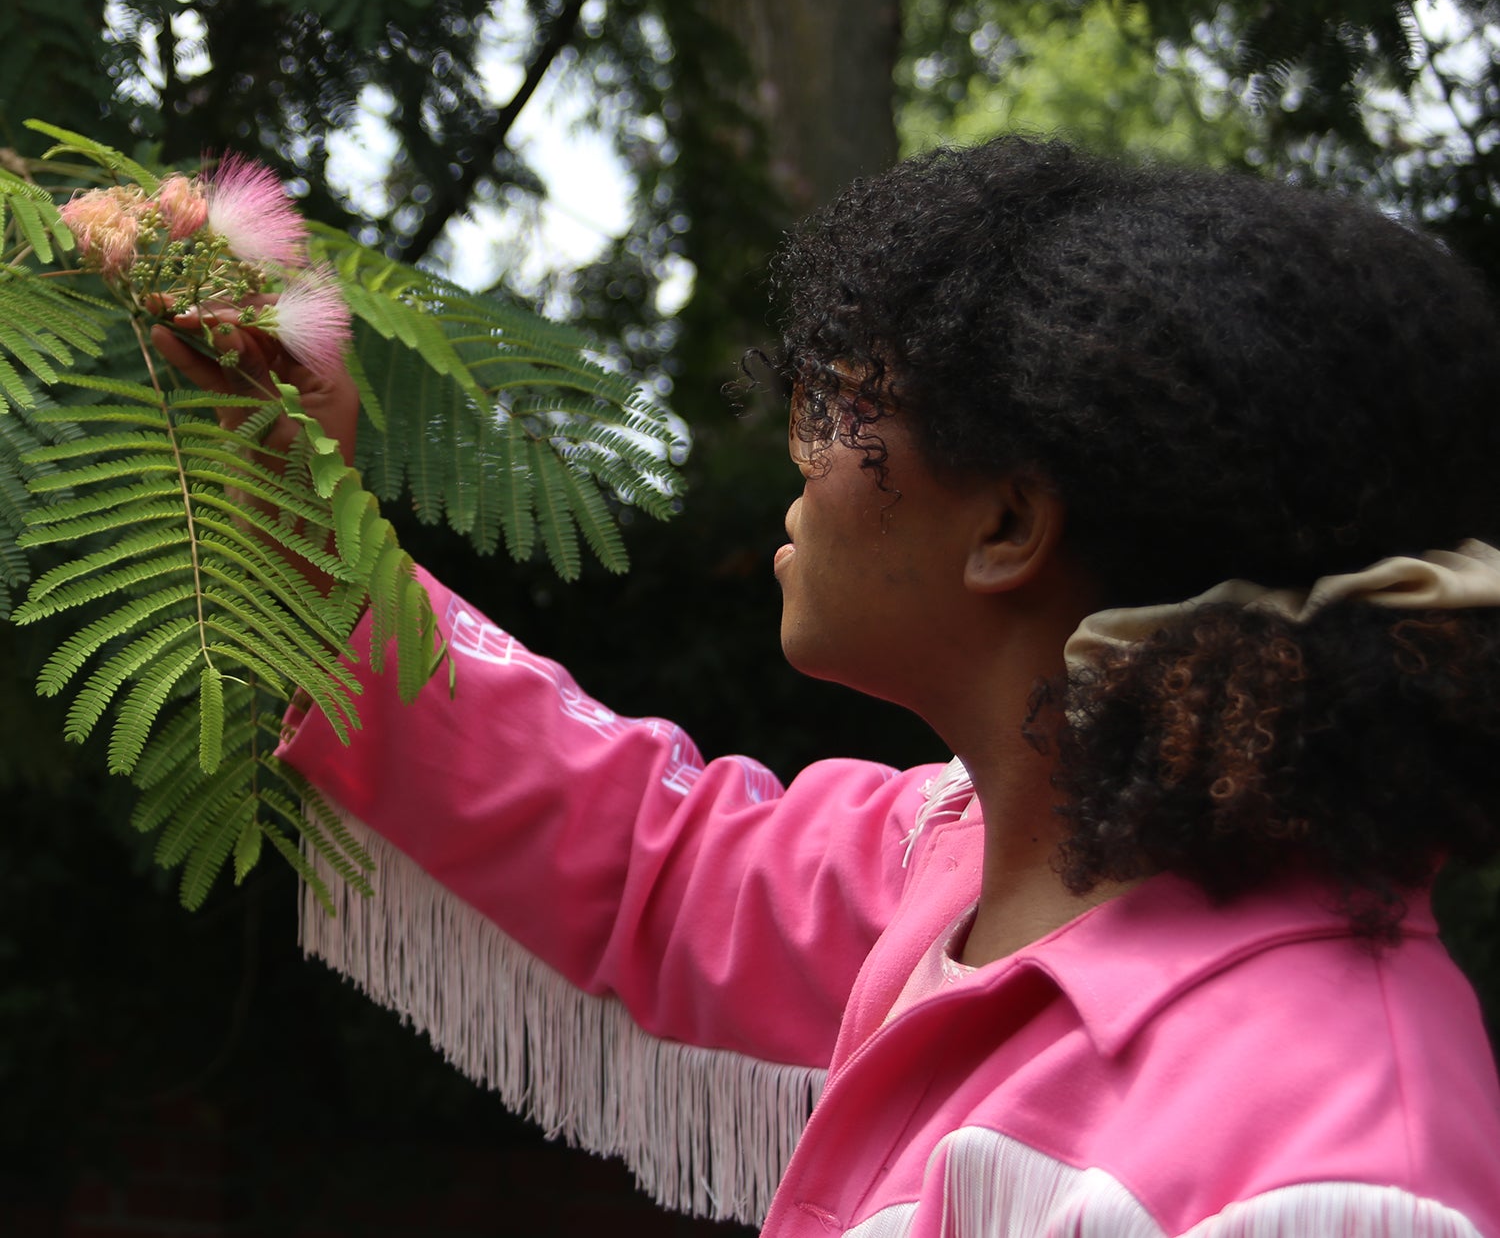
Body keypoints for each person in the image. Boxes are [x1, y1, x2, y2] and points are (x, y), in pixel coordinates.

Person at [155, 136, 1500, 1236]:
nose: (797, 451)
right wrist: (292, 498)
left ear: (1007, 527)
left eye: (841, 404)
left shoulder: (1341, 1163)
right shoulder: (957, 860)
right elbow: (648, 854)